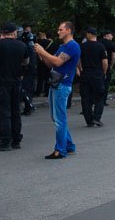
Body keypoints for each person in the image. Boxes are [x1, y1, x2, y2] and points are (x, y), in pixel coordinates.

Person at [33, 21, 81, 159]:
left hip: (63, 85)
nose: (58, 32)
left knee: (60, 119)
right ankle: (69, 146)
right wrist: (41, 55)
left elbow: (58, 62)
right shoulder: (62, 46)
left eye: (60, 29)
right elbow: (51, 64)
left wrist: (43, 51)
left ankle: (60, 150)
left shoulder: (72, 46)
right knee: (56, 118)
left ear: (68, 31)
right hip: (55, 83)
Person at [0, 23, 27, 150]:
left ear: (4, 33)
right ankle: (16, 140)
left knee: (4, 113)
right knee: (16, 112)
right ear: (14, 33)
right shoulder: (22, 45)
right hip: (16, 82)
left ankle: (5, 141)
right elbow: (26, 61)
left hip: (3, 83)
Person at [79, 27, 109, 127]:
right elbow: (105, 62)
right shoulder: (101, 46)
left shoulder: (82, 46)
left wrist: (80, 69)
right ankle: (97, 118)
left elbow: (78, 60)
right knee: (100, 97)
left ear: (89, 34)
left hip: (86, 74)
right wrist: (104, 72)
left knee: (86, 98)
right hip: (97, 74)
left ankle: (88, 120)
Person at [101, 30, 115, 106]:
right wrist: (111, 65)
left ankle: (95, 99)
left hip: (97, 66)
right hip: (107, 65)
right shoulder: (111, 44)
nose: (112, 37)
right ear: (107, 35)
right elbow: (113, 56)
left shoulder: (98, 42)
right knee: (106, 83)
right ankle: (103, 100)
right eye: (111, 35)